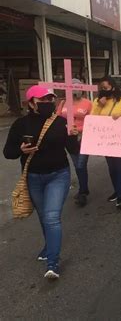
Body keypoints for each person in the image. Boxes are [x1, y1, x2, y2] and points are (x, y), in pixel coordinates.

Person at [3, 86, 79, 279]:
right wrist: (21, 150)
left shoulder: (60, 122)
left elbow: (74, 150)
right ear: (31, 103)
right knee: (43, 216)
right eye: (42, 100)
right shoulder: (20, 124)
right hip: (33, 177)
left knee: (52, 216)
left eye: (50, 100)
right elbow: (8, 152)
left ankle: (52, 263)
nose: (47, 103)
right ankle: (49, 246)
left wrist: (73, 135)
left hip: (58, 175)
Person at [92, 76, 121, 208]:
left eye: (106, 88)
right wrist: (100, 105)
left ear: (113, 87)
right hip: (106, 141)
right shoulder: (97, 101)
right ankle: (116, 190)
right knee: (112, 167)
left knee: (120, 167)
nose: (104, 90)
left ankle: (120, 196)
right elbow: (92, 120)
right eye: (101, 88)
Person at [56, 78, 93, 207]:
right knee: (76, 164)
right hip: (68, 139)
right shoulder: (63, 103)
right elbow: (57, 118)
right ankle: (84, 188)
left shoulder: (88, 103)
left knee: (81, 164)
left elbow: (92, 121)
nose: (75, 90)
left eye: (78, 88)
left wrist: (80, 129)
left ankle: (83, 192)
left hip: (83, 138)